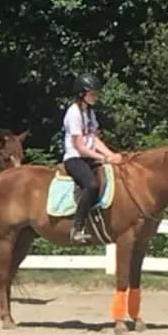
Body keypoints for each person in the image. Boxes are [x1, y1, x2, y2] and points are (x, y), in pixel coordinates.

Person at [62, 73, 123, 244]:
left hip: (89, 157)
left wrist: (110, 154)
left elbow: (94, 139)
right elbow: (81, 147)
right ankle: (77, 227)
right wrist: (105, 159)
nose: (95, 97)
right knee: (91, 184)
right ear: (82, 94)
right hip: (75, 158)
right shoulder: (73, 113)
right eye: (92, 94)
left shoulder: (89, 113)